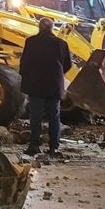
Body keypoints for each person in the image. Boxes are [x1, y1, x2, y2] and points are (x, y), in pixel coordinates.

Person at [19, 17, 72, 158]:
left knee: (35, 116)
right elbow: (68, 64)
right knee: (54, 117)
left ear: (39, 27)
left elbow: (24, 63)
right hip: (54, 86)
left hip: (35, 85)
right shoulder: (61, 43)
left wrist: (26, 76)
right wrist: (57, 75)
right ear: (52, 28)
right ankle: (53, 147)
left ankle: (34, 146)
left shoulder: (31, 42)